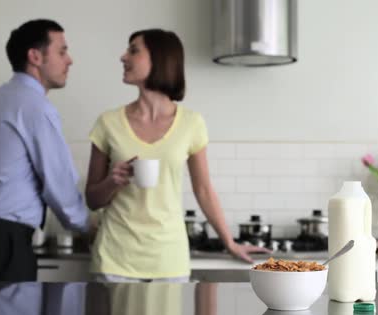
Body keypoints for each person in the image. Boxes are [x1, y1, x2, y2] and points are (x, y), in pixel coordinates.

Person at [85, 28, 269, 282]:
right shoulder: (108, 123)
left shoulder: (191, 124)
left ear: (159, 59)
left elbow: (203, 190)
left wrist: (230, 242)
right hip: (114, 260)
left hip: (168, 260)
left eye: (133, 50)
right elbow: (92, 199)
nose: (123, 57)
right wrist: (111, 182)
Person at [0, 19, 89, 282]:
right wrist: (89, 226)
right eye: (62, 51)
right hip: (4, 242)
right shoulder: (35, 108)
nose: (70, 60)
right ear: (35, 56)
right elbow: (58, 183)